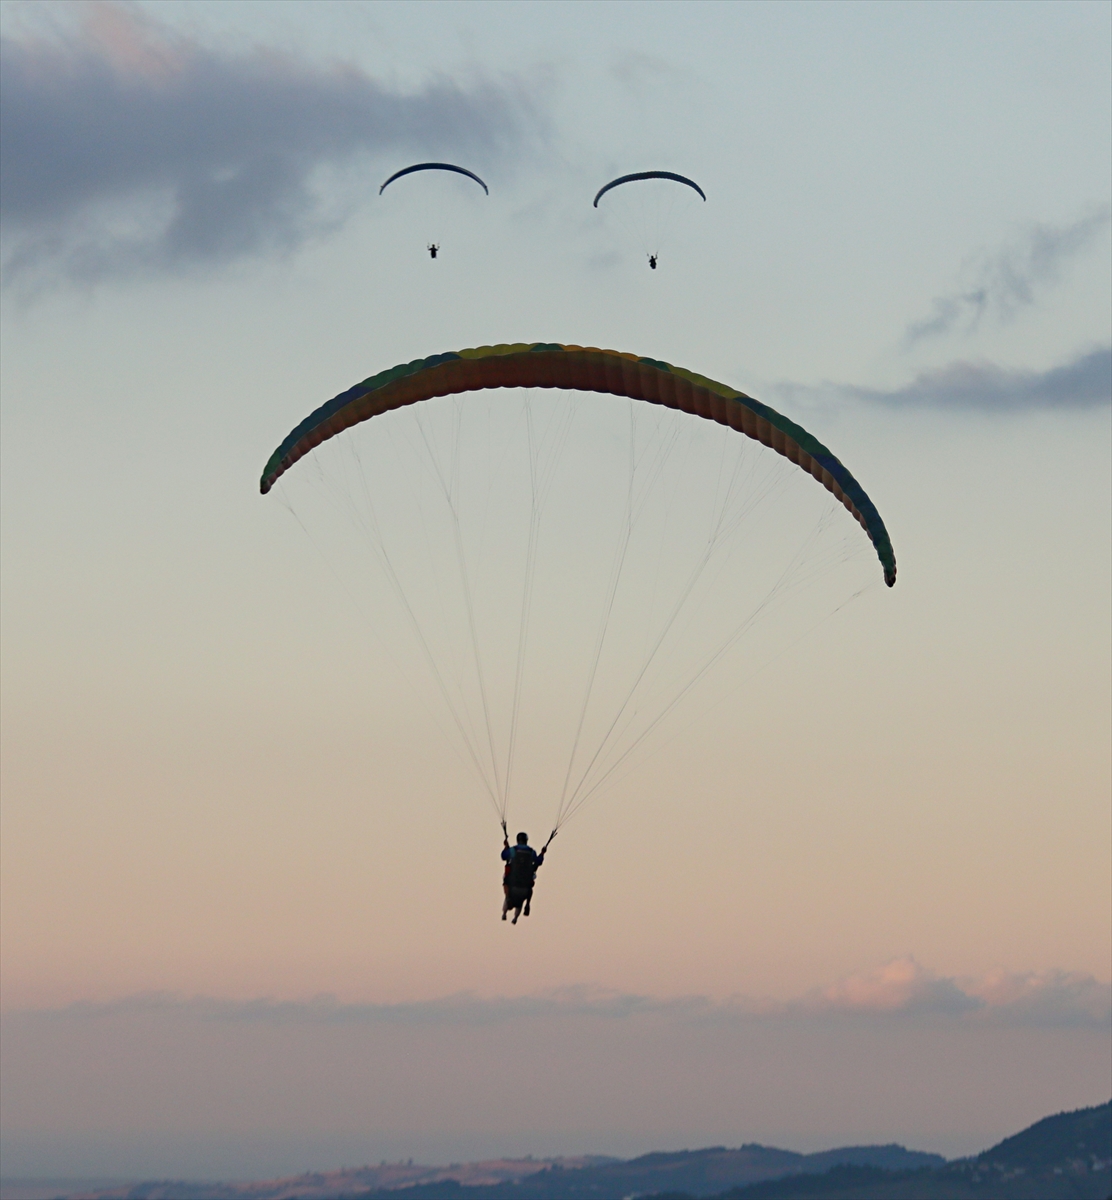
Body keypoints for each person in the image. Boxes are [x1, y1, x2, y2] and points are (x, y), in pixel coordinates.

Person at [501, 830, 545, 924]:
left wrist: (506, 847)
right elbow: (538, 862)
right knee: (530, 887)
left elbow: (503, 856)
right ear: (526, 841)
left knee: (505, 882)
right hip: (526, 881)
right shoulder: (531, 852)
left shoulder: (513, 850)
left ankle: (508, 897)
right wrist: (542, 853)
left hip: (513, 879)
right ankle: (527, 904)